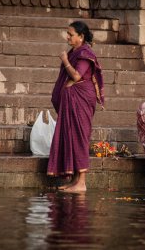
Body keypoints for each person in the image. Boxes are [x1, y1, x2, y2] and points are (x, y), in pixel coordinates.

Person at [47, 21, 104, 192]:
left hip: (82, 101)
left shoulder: (85, 53)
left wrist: (65, 60)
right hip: (72, 101)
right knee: (71, 136)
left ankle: (82, 183)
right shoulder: (75, 52)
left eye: (71, 34)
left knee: (79, 137)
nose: (68, 37)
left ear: (81, 37)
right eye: (68, 34)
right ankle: (75, 181)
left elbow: (77, 76)